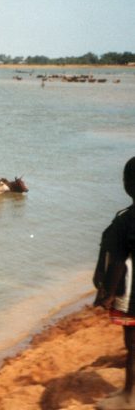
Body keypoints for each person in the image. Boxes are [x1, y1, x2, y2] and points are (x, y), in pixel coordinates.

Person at [94, 156, 135, 410]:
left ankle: (129, 396)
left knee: (132, 344)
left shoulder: (125, 221)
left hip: (133, 295)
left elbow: (117, 262)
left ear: (128, 185)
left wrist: (107, 294)